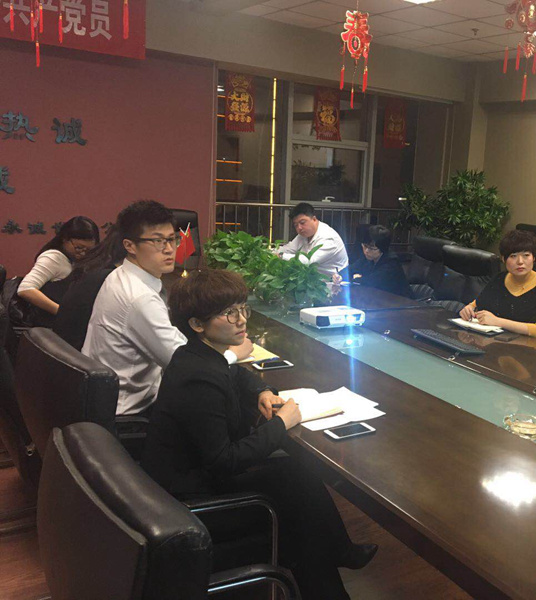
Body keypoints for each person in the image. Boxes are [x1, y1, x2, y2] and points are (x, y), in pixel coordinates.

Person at [141, 268, 377, 600]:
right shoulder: (198, 377)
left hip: (192, 477)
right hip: (192, 497)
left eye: (242, 308)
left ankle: (339, 552)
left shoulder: (197, 355)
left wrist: (262, 391)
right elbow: (224, 460)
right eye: (228, 313)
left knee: (297, 473)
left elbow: (236, 375)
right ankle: (334, 565)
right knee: (299, 510)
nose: (241, 320)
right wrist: (281, 423)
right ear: (197, 324)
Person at [82, 201, 253, 416]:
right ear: (130, 246)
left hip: (103, 398)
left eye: (172, 239)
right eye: (158, 241)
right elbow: (185, 368)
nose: (169, 249)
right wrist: (233, 354)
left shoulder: (120, 276)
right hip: (129, 412)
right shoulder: (139, 298)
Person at [459, 229, 536, 338]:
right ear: (503, 259)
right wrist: (469, 309)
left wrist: (497, 321)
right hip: (493, 341)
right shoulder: (499, 278)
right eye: (513, 256)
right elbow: (477, 303)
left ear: (533, 258)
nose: (520, 261)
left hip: (525, 345)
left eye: (526, 255)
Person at [52, 225, 126, 350]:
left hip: (66, 348)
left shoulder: (94, 266)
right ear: (130, 246)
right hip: (79, 352)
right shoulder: (111, 278)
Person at [16, 216, 100, 326]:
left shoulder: (74, 260)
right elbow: (25, 289)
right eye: (79, 247)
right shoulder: (53, 258)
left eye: (88, 250)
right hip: (48, 326)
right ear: (65, 239)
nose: (83, 253)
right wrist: (61, 312)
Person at [277, 202, 348, 277]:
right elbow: (288, 249)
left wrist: (281, 256)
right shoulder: (303, 235)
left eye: (302, 223)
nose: (299, 228)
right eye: (296, 225)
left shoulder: (328, 238)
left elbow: (309, 261)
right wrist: (272, 252)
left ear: (314, 219)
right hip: (312, 278)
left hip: (334, 281)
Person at [346, 225, 411, 297]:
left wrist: (357, 278)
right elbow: (350, 269)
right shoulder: (368, 258)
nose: (366, 251)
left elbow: (371, 282)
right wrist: (338, 276)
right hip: (378, 298)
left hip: (401, 301)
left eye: (371, 248)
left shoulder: (391, 263)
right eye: (365, 246)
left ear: (382, 249)